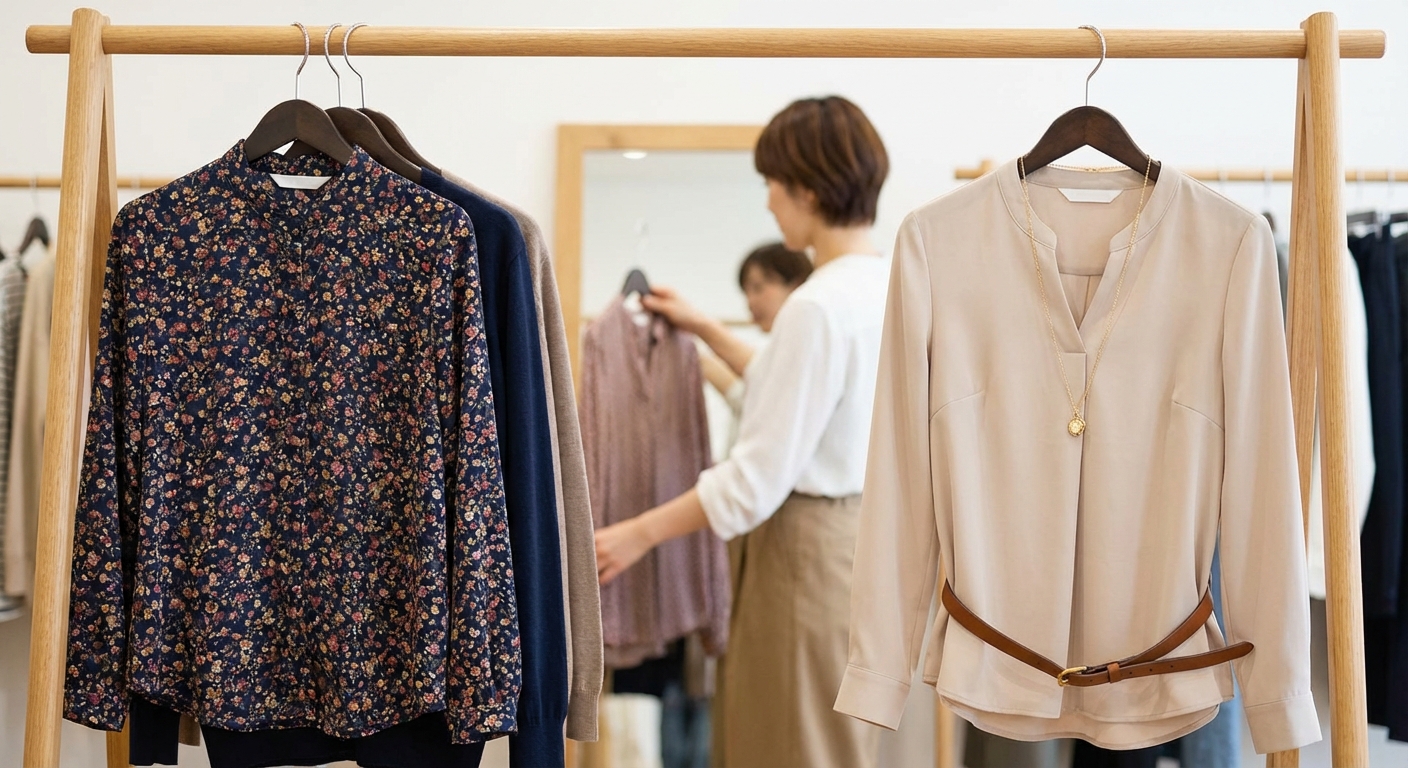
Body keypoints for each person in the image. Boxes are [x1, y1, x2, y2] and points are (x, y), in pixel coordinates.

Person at [594, 95, 890, 768]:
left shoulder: (815, 307)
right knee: (828, 743)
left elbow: (753, 482)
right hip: (856, 548)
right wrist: (705, 330)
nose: (768, 203)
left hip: (801, 556)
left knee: (786, 744)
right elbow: (807, 405)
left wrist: (635, 534)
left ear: (808, 188)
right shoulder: (882, 285)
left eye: (772, 185)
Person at [693, 242, 813, 412]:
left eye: (758, 288)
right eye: (746, 292)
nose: (750, 302)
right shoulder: (776, 348)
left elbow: (766, 410)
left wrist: (702, 357)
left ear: (797, 285)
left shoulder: (807, 350)